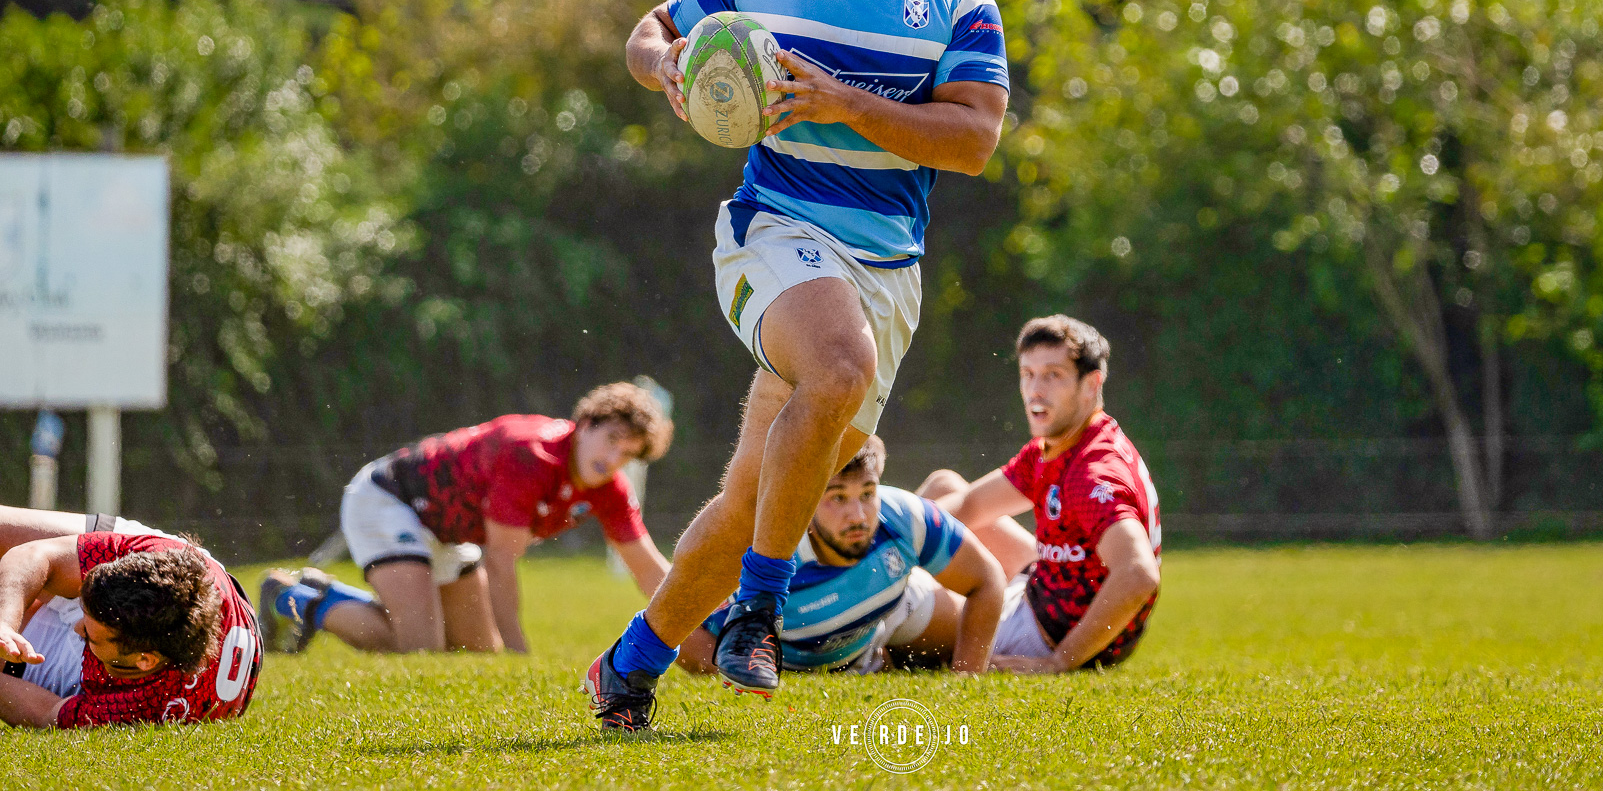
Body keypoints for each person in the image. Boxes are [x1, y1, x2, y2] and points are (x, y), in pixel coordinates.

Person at [586, 0, 1008, 729]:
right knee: (840, 368)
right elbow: (647, 34)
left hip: (887, 271)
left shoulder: (959, 4)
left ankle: (629, 663)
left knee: (751, 498)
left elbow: (975, 140)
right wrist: (673, 75)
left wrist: (844, 102)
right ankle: (759, 614)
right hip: (773, 230)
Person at [261, 382, 672, 655]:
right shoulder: (532, 454)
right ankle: (295, 599)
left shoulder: (609, 486)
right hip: (390, 499)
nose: (614, 458)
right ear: (585, 425)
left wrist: (709, 615)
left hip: (446, 531)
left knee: (474, 653)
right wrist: (518, 649)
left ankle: (320, 592)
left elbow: (647, 567)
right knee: (421, 647)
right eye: (612, 440)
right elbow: (500, 560)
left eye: (628, 453)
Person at [920, 315, 1162, 673]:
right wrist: (893, 537)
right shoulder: (1060, 443)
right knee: (946, 487)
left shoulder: (1092, 473)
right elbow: (970, 504)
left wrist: (1056, 663)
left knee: (919, 605)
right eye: (1028, 373)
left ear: (1091, 385)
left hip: (1051, 632)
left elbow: (1138, 573)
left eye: (1053, 375)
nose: (1036, 389)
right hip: (1043, 586)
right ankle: (875, 561)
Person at [676, 435, 1003, 677]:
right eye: (838, 497)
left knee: (997, 643)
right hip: (798, 658)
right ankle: (878, 661)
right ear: (807, 497)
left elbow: (986, 581)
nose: (858, 515)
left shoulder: (905, 516)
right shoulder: (770, 554)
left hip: (888, 613)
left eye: (867, 493)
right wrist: (769, 676)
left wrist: (966, 681)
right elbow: (687, 634)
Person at [0, 508, 261, 728]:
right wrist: (5, 623)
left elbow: (49, 712)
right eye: (83, 609)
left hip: (123, 668)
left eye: (90, 635)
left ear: (145, 660)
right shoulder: (156, 557)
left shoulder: (139, 705)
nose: (79, 627)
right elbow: (33, 555)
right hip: (174, 576)